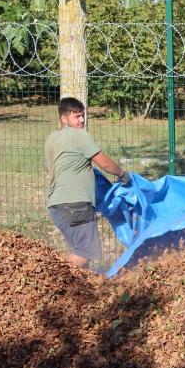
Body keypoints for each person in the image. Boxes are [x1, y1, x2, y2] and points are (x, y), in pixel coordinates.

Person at [45, 97, 130, 268]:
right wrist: (122, 174)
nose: (82, 120)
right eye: (77, 116)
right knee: (84, 252)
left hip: (56, 206)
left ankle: (77, 284)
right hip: (75, 204)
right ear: (64, 119)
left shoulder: (52, 139)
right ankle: (56, 279)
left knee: (80, 250)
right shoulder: (79, 135)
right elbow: (104, 162)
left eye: (83, 115)